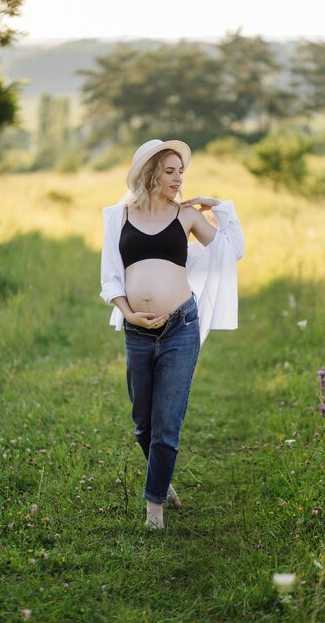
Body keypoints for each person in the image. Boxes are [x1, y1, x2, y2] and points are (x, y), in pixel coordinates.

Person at [100, 139, 245, 529]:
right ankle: (162, 481)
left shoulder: (186, 217)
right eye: (170, 171)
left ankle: (154, 509)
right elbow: (110, 277)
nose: (178, 179)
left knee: (166, 424)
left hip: (182, 325)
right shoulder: (119, 216)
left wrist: (219, 207)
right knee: (142, 424)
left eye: (181, 171)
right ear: (149, 173)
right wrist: (130, 314)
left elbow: (232, 251)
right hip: (137, 330)